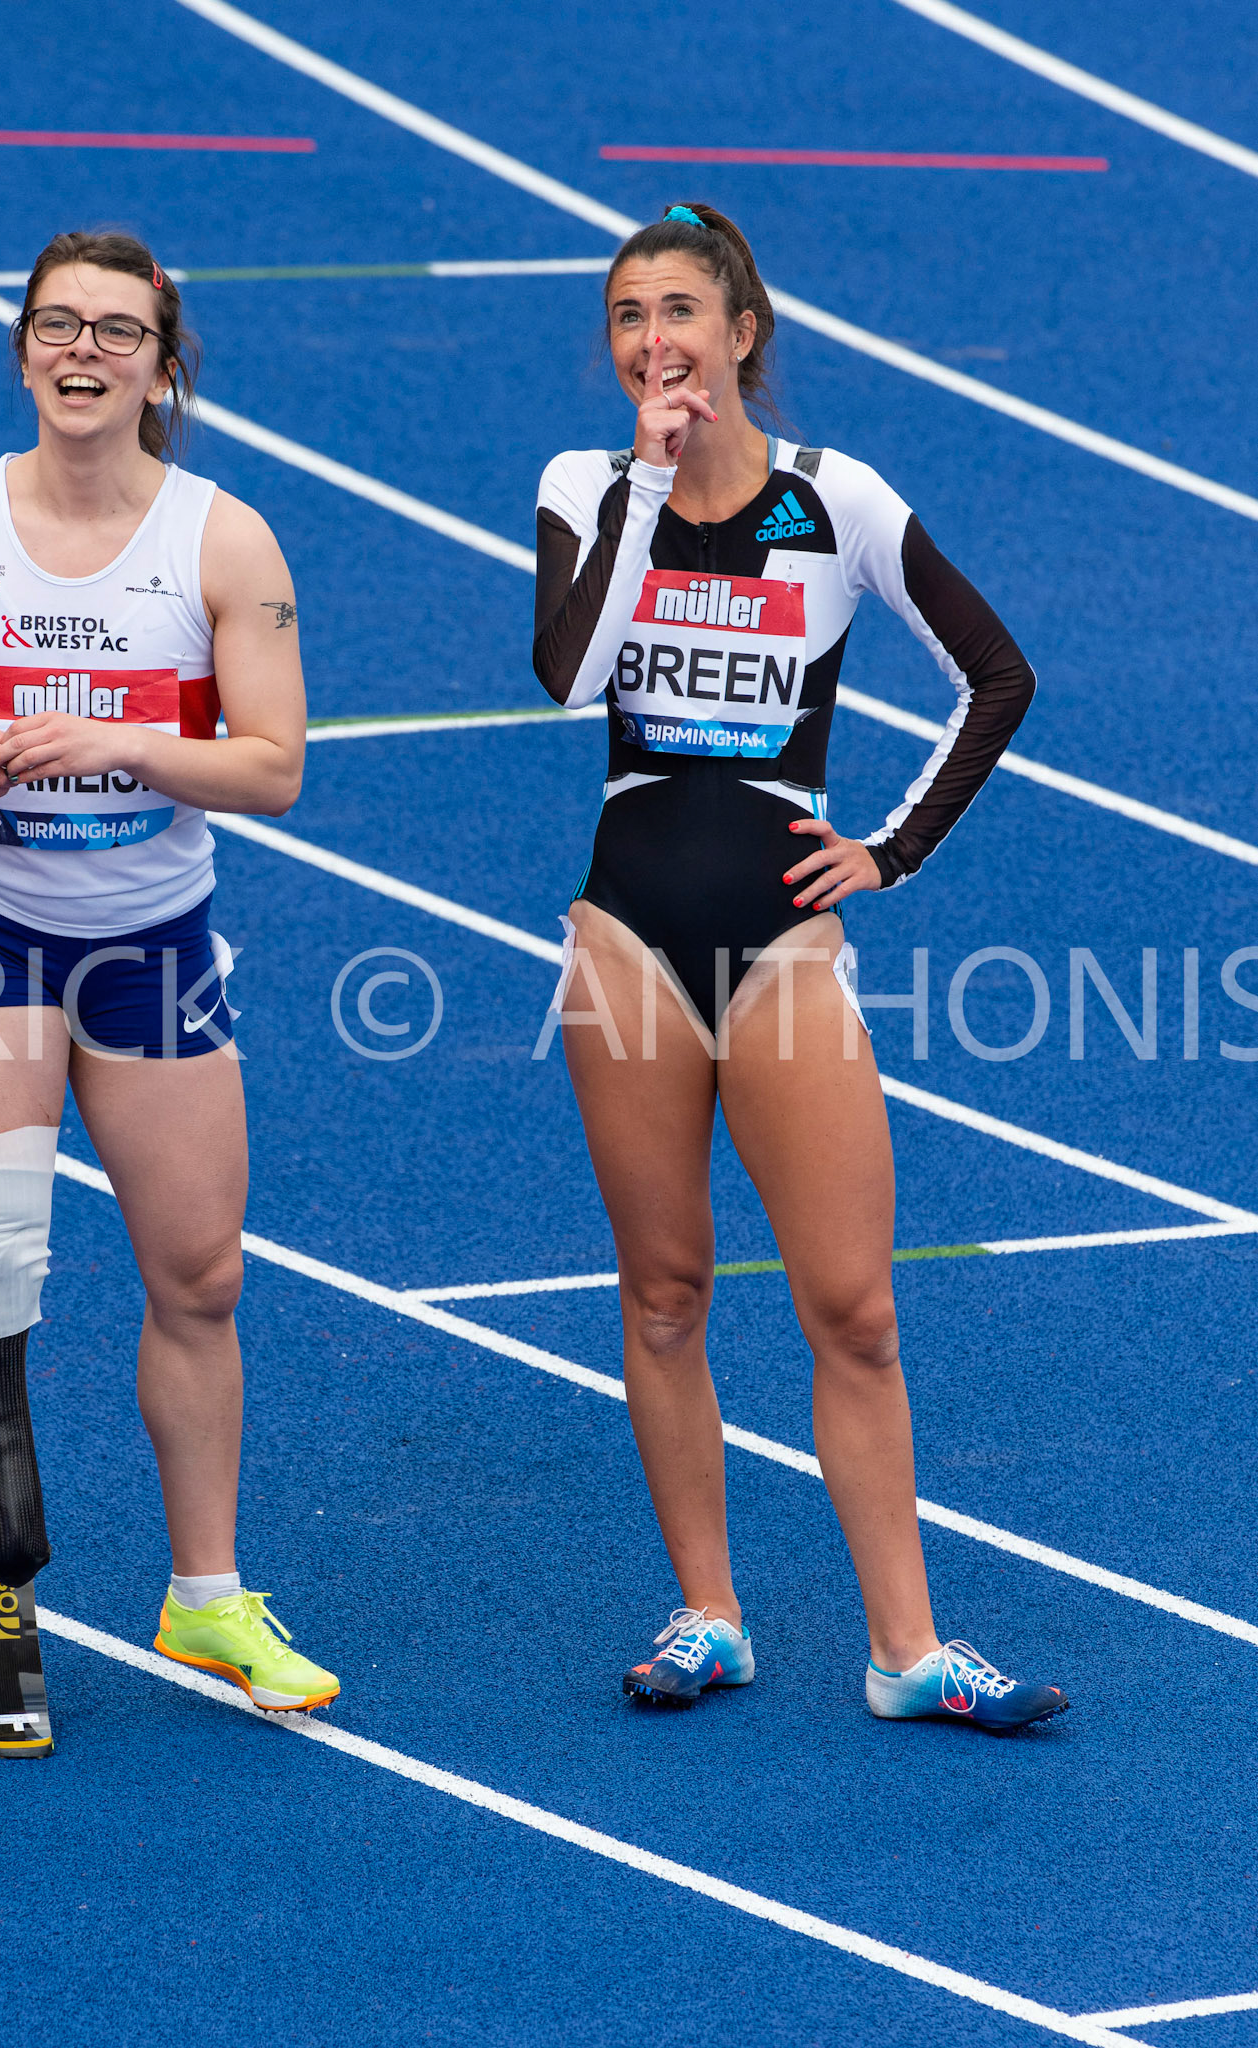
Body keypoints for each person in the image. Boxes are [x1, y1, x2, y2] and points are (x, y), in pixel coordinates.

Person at [533, 202, 1067, 1729]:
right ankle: (708, 1612)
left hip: (779, 943)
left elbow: (997, 674)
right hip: (622, 933)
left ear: (741, 332)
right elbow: (568, 676)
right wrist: (644, 482)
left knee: (852, 1307)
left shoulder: (837, 503)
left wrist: (890, 850)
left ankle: (905, 1650)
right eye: (631, 316)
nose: (656, 341)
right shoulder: (585, 486)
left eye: (681, 312)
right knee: (661, 1294)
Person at [0, 228, 338, 1724]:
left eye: (117, 332)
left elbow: (275, 766)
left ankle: (205, 1601)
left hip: (153, 949)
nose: (83, 352)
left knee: (200, 1273)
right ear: (21, 351)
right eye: (58, 326)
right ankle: (7, 1580)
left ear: (159, 366)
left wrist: (119, 745)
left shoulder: (221, 542)